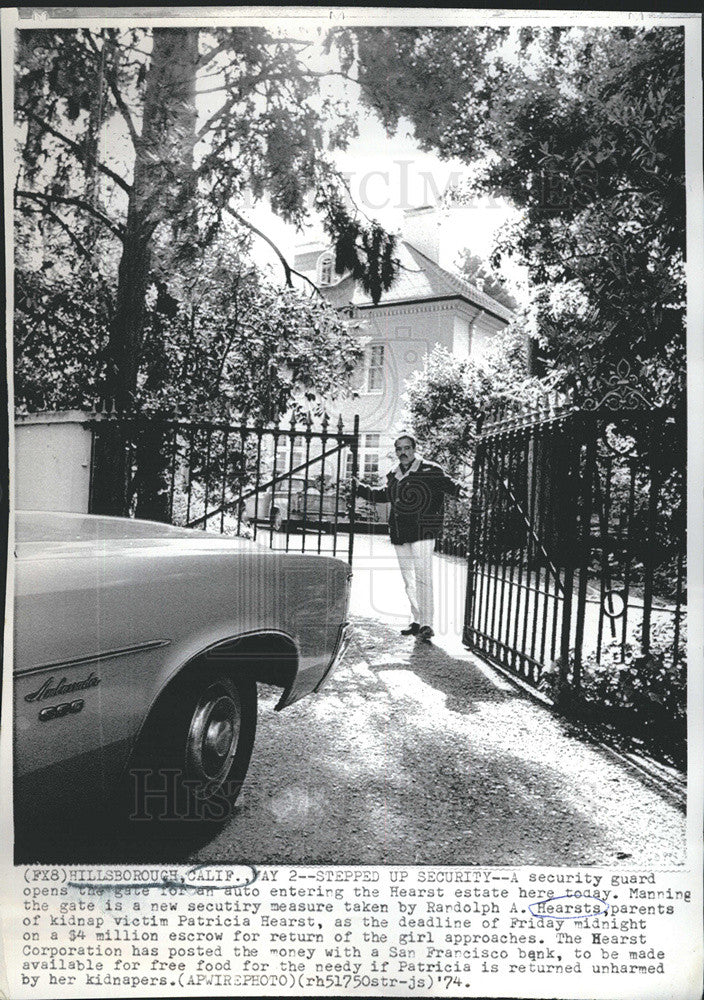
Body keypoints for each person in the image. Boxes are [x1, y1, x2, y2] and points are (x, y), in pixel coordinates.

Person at [353, 434, 464, 642]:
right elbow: (383, 495)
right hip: (400, 533)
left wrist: (465, 491)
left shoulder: (430, 470)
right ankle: (417, 620)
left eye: (407, 448)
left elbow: (450, 485)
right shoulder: (394, 474)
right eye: (399, 449)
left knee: (423, 577)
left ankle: (427, 624)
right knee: (409, 580)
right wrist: (358, 487)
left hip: (423, 531)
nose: (403, 452)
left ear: (414, 449)